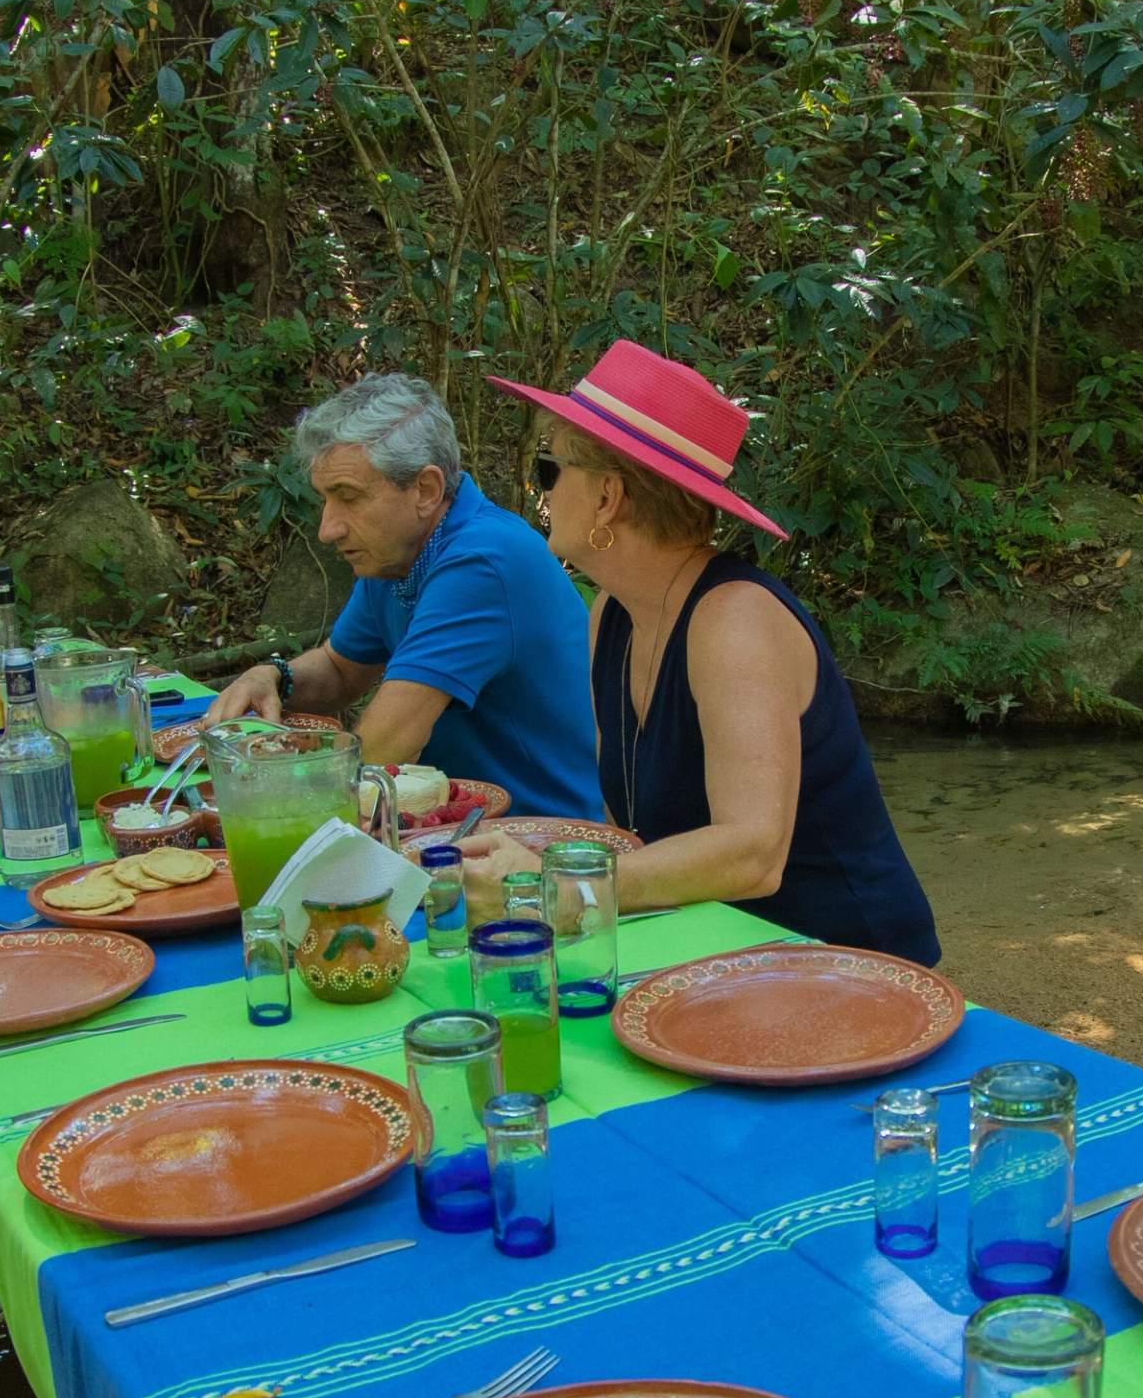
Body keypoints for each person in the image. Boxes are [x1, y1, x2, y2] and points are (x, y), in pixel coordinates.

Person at [465, 341, 940, 964]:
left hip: (844, 964)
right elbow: (631, 831)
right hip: (719, 953)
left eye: (548, 469)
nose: (540, 490)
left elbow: (753, 853)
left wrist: (553, 889)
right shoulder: (613, 613)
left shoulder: (732, 620)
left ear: (608, 497)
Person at [203, 374, 599, 820]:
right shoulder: (398, 553)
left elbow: (382, 748)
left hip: (543, 839)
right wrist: (273, 677)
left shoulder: (483, 560)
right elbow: (340, 669)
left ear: (425, 491)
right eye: (325, 500)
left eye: (348, 498)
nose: (327, 528)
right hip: (455, 827)